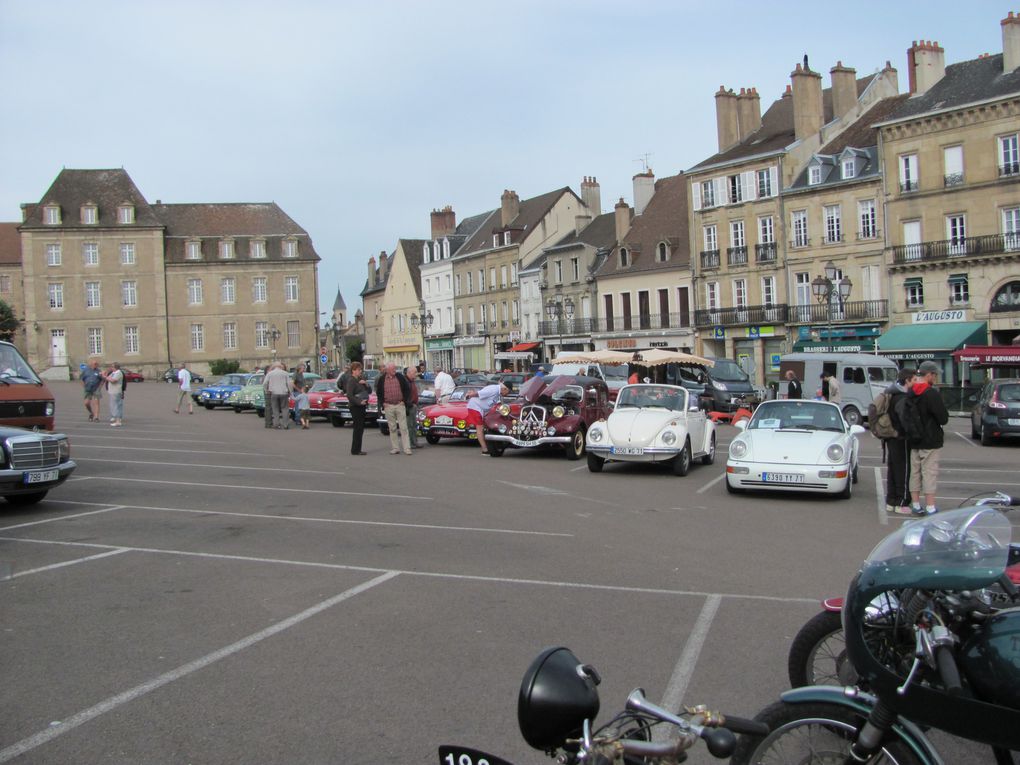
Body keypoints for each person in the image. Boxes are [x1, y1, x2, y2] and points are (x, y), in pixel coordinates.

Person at [903, 360, 949, 516]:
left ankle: (915, 504)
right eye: (934, 375)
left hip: (913, 438)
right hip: (930, 439)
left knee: (914, 472)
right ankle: (930, 506)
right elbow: (943, 418)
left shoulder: (910, 392)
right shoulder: (931, 393)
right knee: (929, 472)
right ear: (929, 374)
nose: (935, 378)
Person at [880, 368, 916, 516]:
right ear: (907, 380)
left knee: (893, 469)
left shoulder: (891, 394)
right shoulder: (902, 397)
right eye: (913, 379)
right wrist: (913, 432)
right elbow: (904, 419)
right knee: (904, 469)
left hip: (890, 436)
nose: (915, 382)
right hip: (900, 437)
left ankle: (891, 500)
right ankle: (902, 501)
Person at [375, 362, 413, 455]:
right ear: (387, 370)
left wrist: (404, 401)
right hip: (389, 406)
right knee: (392, 428)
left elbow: (407, 389)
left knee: (404, 428)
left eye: (395, 369)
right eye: (392, 369)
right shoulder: (382, 379)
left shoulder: (399, 377)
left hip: (400, 405)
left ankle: (407, 448)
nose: (394, 371)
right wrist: (383, 403)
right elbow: (378, 392)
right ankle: (395, 448)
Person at [466, 381, 511, 454]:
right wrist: (470, 395)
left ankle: (488, 445)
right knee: (479, 428)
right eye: (508, 392)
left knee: (485, 426)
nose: (508, 394)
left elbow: (498, 404)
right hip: (475, 407)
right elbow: (479, 394)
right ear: (505, 389)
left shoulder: (498, 393)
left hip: (483, 409)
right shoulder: (493, 389)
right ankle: (484, 449)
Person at [344, 361, 371, 455]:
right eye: (359, 370)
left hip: (362, 406)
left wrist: (366, 384)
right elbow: (349, 395)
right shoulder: (351, 380)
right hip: (355, 407)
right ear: (353, 370)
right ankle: (355, 450)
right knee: (358, 428)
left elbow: (369, 391)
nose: (360, 372)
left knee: (360, 428)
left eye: (361, 370)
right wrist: (359, 402)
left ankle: (357, 448)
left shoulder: (360, 379)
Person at [264, 362, 292, 429]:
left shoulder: (270, 373)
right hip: (283, 393)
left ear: (274, 367)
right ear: (280, 367)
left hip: (274, 393)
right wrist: (290, 391)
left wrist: (266, 390)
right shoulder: (285, 373)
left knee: (275, 409)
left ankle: (276, 424)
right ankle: (285, 424)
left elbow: (265, 383)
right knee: (285, 409)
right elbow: (289, 383)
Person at [404, 365, 422, 448]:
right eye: (414, 372)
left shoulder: (412, 381)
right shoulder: (406, 382)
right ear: (409, 373)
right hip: (409, 406)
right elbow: (405, 395)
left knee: (414, 425)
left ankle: (415, 442)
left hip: (414, 405)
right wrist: (409, 404)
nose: (416, 374)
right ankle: (411, 443)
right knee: (409, 426)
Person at [105, 362, 125, 427]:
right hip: (112, 391)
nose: (111, 368)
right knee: (114, 406)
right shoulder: (113, 373)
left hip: (116, 391)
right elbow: (108, 377)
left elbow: (113, 380)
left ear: (115, 367)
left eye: (112, 367)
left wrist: (106, 377)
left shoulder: (118, 373)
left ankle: (118, 421)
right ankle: (116, 419)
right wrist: (106, 375)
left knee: (116, 406)